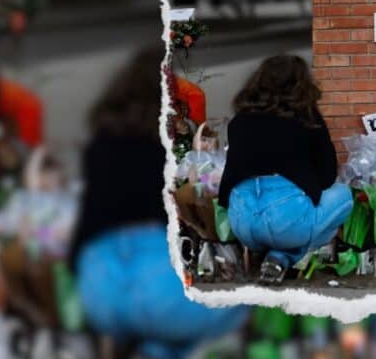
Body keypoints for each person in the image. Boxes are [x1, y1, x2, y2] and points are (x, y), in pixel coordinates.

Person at [70, 47, 245, 359]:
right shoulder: (176, 147)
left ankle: (152, 350)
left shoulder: (99, 143)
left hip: (100, 287)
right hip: (161, 282)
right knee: (245, 289)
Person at [219, 54, 352, 284]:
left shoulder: (238, 122)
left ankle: (275, 258)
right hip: (286, 219)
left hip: (242, 223)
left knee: (283, 218)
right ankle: (283, 257)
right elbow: (327, 176)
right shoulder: (307, 119)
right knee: (344, 195)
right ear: (301, 84)